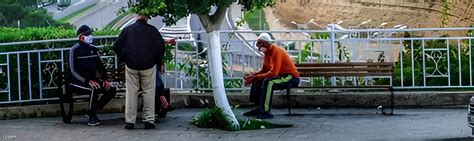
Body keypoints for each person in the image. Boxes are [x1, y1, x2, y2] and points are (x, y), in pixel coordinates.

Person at [113, 15, 165, 130]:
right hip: (148, 66)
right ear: (147, 18)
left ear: (137, 17)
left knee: (131, 93)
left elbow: (116, 46)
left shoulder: (127, 30)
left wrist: (124, 59)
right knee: (149, 92)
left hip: (131, 66)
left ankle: (130, 121)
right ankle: (149, 120)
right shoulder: (153, 30)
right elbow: (161, 47)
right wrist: (158, 62)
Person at [243, 33, 300, 119]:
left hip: (290, 77)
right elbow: (264, 71)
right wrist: (253, 76)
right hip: (280, 77)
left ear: (265, 44)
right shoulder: (267, 54)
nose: (258, 48)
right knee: (259, 80)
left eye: (259, 45)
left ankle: (265, 111)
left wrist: (255, 77)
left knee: (269, 82)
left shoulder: (276, 52)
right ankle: (258, 107)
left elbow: (274, 73)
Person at [69, 25, 117, 126]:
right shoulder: (74, 49)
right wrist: (87, 81)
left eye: (90, 34)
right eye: (87, 35)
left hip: (93, 80)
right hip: (77, 82)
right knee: (93, 88)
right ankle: (92, 117)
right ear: (81, 37)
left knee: (112, 89)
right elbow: (73, 71)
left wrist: (106, 80)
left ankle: (92, 111)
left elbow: (100, 66)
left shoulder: (93, 49)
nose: (90, 36)